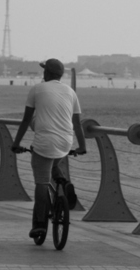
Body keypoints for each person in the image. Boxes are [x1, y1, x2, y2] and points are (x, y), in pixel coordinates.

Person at [11, 59, 87, 242]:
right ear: (60, 75)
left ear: (46, 74)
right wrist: (82, 146)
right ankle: (63, 182)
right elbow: (77, 123)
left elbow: (25, 119)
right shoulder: (70, 92)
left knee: (41, 183)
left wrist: (16, 143)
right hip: (65, 142)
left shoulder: (37, 89)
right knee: (54, 162)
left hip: (44, 142)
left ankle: (39, 224)